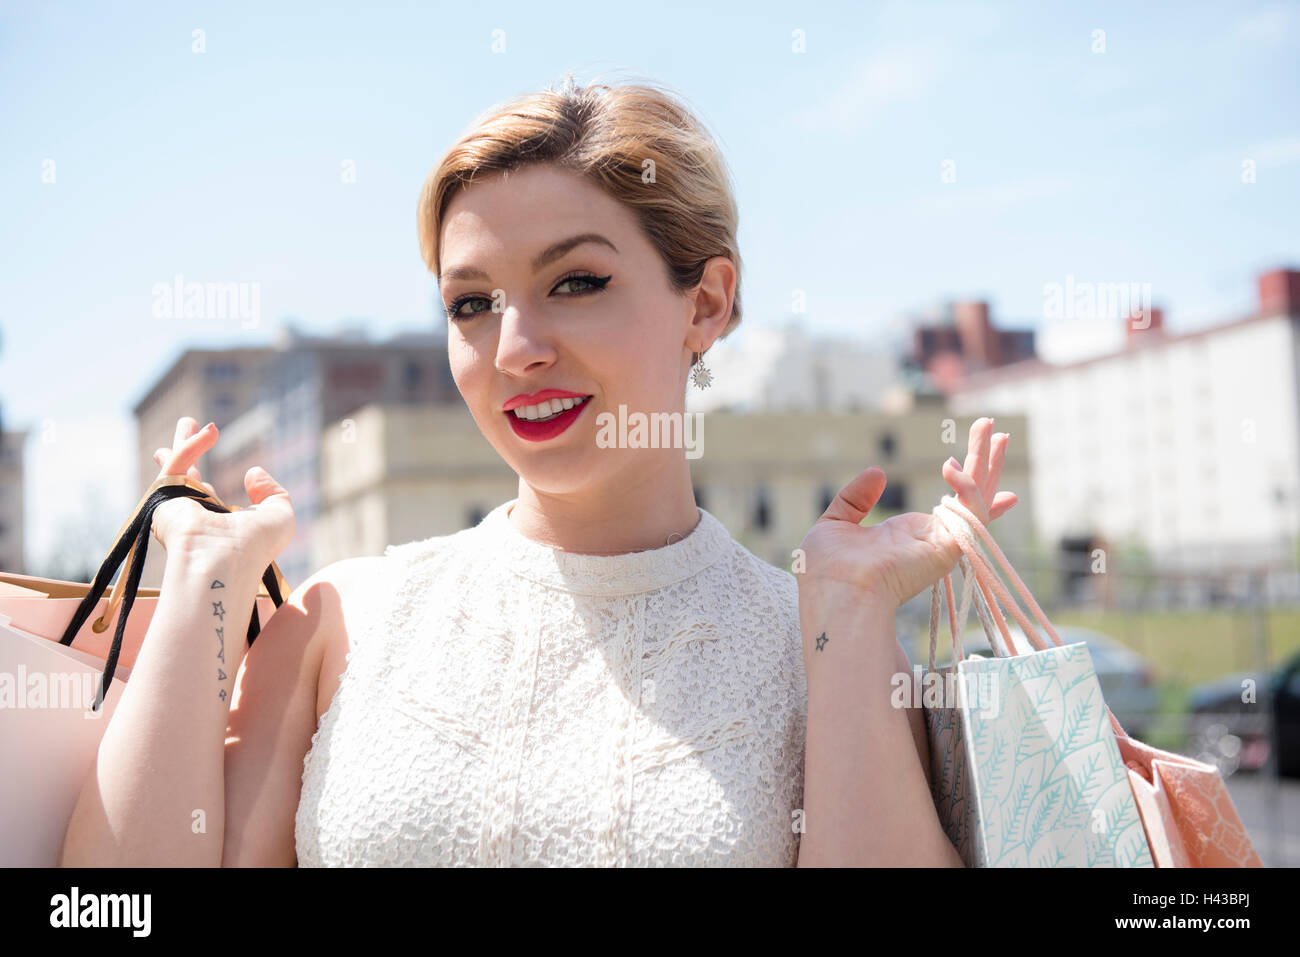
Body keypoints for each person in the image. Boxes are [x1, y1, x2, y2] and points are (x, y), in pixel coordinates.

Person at [60, 75, 1016, 867]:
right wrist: (197, 583)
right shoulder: (341, 618)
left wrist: (849, 615)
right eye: (471, 302)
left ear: (706, 303)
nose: (515, 347)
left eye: (576, 282)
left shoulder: (816, 647)